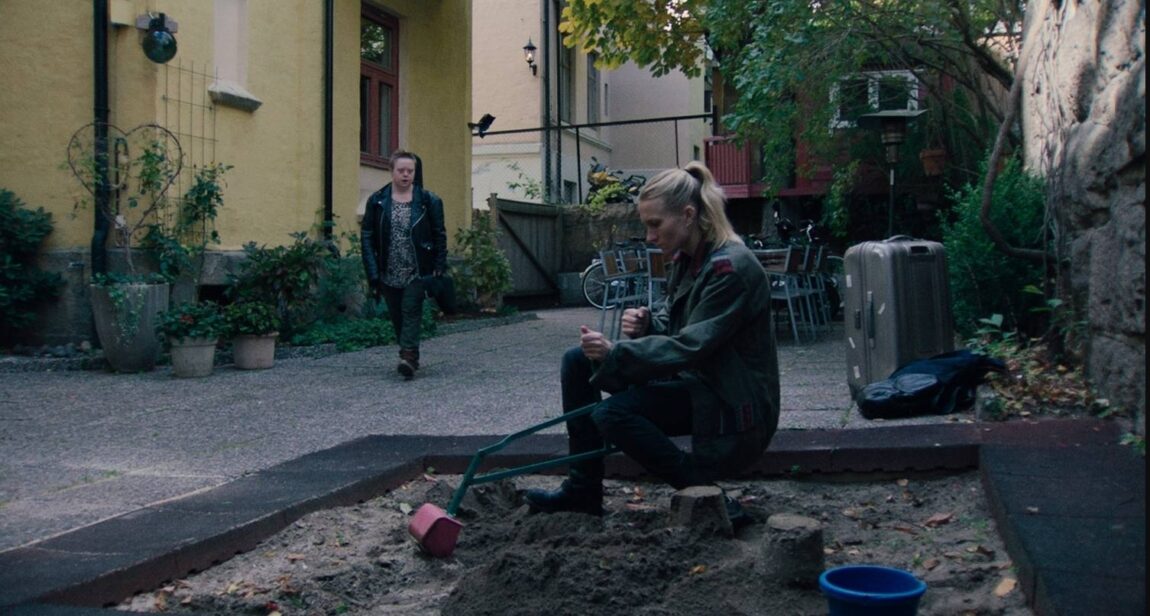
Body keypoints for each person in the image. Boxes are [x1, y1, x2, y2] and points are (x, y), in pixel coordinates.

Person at [525, 161, 780, 523]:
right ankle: (583, 490)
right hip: (701, 381)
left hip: (732, 400)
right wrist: (648, 323)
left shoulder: (731, 268)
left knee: (612, 414)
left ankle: (713, 499)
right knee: (576, 360)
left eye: (655, 224)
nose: (649, 236)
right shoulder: (689, 259)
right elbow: (676, 325)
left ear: (688, 215)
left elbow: (691, 345)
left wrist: (616, 352)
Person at [361, 150, 448, 380]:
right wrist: (372, 272)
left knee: (411, 309)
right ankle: (410, 355)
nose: (406, 174)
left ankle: (407, 356)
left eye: (410, 171)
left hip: (416, 269)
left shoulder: (429, 201)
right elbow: (367, 237)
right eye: (401, 170)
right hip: (388, 270)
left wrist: (439, 265)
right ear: (391, 171)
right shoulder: (377, 201)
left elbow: (439, 234)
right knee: (397, 316)